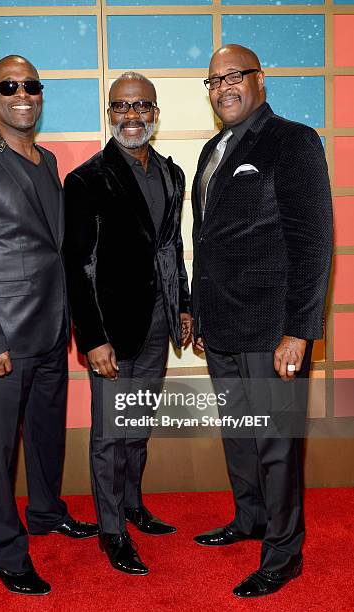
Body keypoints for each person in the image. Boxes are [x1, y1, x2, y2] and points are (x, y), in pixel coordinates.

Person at [0, 55, 98, 596]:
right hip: (3, 335)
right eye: (9, 86)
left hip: (53, 327)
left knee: (48, 436)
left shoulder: (47, 159)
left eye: (32, 85)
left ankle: (48, 513)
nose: (22, 93)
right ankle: (6, 552)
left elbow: (51, 246)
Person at [191, 45, 333, 597]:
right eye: (213, 80)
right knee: (240, 437)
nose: (223, 87)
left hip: (273, 329)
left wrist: (299, 329)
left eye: (234, 76)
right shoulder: (211, 150)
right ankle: (248, 519)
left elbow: (313, 241)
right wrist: (200, 313)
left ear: (259, 80)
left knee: (276, 443)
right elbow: (208, 243)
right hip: (221, 325)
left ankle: (284, 552)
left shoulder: (293, 140)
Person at [64, 72, 192, 575]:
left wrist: (181, 305)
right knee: (110, 435)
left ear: (155, 114)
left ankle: (133, 504)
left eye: (141, 106)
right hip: (113, 334)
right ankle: (112, 531)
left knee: (137, 428)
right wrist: (93, 338)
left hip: (159, 324)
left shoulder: (171, 173)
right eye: (121, 106)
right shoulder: (86, 179)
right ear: (110, 114)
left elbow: (171, 248)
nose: (131, 115)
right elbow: (78, 265)